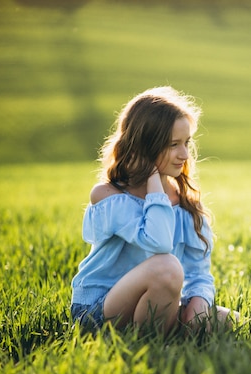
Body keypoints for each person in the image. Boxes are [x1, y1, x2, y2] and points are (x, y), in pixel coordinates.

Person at [70, 86, 237, 335]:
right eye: (173, 145)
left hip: (157, 303)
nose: (184, 154)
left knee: (230, 319)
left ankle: (165, 332)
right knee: (167, 267)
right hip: (99, 309)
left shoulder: (187, 203)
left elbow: (199, 274)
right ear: (144, 147)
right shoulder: (109, 196)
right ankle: (150, 346)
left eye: (186, 143)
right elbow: (158, 242)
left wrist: (198, 307)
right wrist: (152, 179)